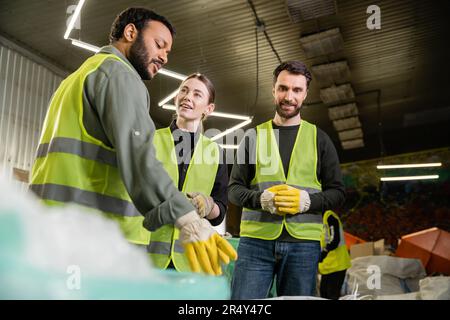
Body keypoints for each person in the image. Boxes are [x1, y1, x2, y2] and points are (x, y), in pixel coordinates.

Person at [29, 7, 236, 276]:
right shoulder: (120, 76)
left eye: (167, 52)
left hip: (56, 225)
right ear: (130, 33)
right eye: (159, 45)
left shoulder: (81, 75)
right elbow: (141, 160)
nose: (163, 56)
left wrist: (207, 207)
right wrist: (187, 218)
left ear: (209, 108)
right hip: (89, 233)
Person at [228, 60, 345, 299]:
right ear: (273, 90)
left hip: (303, 246)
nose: (288, 96)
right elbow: (233, 190)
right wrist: (260, 199)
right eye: (283, 88)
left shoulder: (319, 139)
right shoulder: (253, 136)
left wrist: (307, 202)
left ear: (305, 94)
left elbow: (338, 192)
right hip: (255, 243)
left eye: (296, 90)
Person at [148, 73, 229, 273]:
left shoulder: (215, 153)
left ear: (208, 109)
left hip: (190, 262)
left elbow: (219, 211)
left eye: (197, 94)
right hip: (147, 257)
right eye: (183, 90)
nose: (187, 97)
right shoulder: (151, 140)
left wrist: (208, 204)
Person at [319, 210, 351, 299]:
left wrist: (323, 253)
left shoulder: (329, 217)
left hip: (337, 265)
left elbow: (335, 240)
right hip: (328, 267)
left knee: (331, 295)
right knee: (324, 294)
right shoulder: (319, 219)